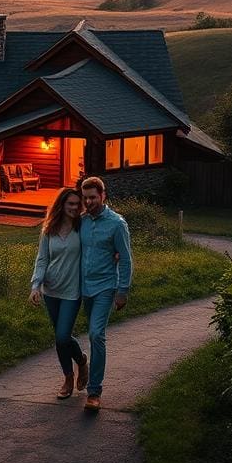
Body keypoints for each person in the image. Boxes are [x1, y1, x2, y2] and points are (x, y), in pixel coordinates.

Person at [78, 176, 132, 412]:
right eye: (85, 198)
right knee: (82, 334)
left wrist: (123, 291)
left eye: (93, 197)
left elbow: (126, 259)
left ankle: (94, 392)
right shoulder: (81, 221)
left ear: (103, 196)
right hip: (82, 287)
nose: (89, 202)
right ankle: (81, 366)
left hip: (105, 287)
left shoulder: (117, 224)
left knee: (96, 334)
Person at [29, 187, 89, 399]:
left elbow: (97, 246)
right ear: (62, 205)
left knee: (63, 336)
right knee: (60, 337)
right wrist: (36, 286)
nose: (74, 207)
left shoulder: (82, 227)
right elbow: (42, 259)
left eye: (77, 204)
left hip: (72, 291)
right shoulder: (49, 228)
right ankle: (68, 377)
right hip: (51, 290)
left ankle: (81, 361)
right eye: (70, 203)